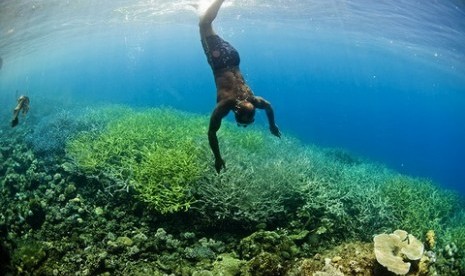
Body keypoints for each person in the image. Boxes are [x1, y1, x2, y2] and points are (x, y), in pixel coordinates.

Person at [199, 0, 281, 173]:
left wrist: (272, 125)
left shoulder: (253, 99)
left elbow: (268, 106)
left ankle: (201, 7)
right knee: (205, 24)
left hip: (234, 58)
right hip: (219, 60)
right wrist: (218, 158)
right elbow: (211, 133)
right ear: (236, 112)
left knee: (209, 26)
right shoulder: (225, 105)